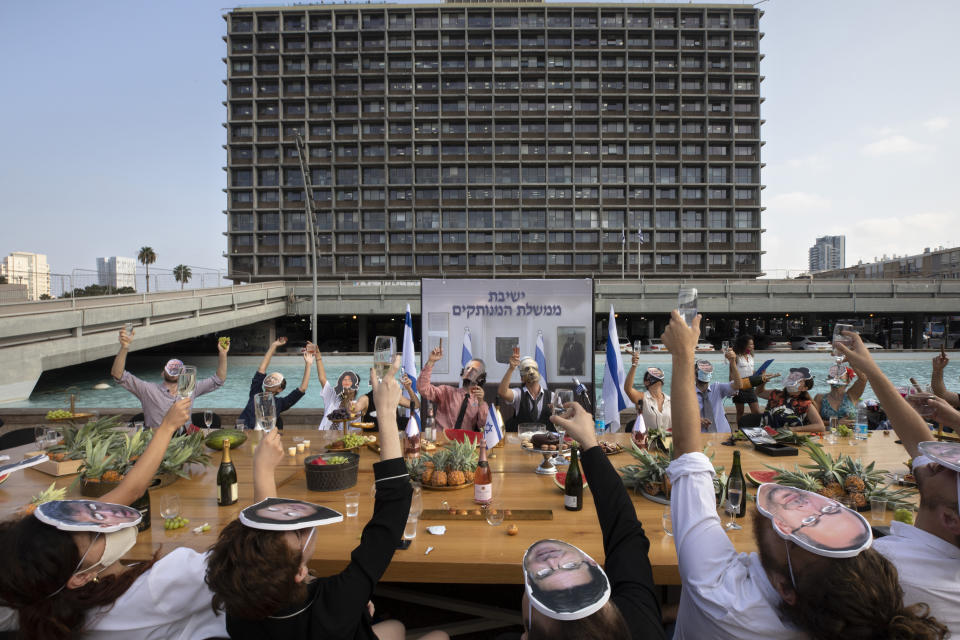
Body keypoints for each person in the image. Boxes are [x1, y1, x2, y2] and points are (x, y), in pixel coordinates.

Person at [660, 310, 949, 640]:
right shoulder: (872, 597)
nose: (806, 509)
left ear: (785, 589)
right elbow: (924, 447)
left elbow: (688, 452)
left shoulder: (721, 593)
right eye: (830, 518)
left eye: (796, 532)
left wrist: (683, 354)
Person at [205, 356, 449, 640]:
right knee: (439, 636)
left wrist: (263, 469)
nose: (294, 522)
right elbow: (392, 514)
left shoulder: (241, 611)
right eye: (296, 532)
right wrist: (385, 412)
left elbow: (261, 532)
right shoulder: (338, 600)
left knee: (396, 628)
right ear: (299, 573)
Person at [0, 399, 230, 640]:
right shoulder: (160, 584)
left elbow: (132, 490)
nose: (103, 520)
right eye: (92, 532)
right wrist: (263, 471)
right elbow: (253, 560)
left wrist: (167, 427)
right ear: (81, 577)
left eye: (76, 512)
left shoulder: (36, 603)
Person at [836, 332, 960, 635]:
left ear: (950, 518)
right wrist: (873, 369)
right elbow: (921, 443)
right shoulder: (942, 546)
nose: (941, 461)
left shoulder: (889, 567)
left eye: (953, 470)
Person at [511, 402, 666, 640]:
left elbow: (624, 532)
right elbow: (625, 532)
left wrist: (589, 444)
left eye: (541, 577)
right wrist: (590, 445)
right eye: (571, 567)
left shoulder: (639, 618)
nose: (552, 561)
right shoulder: (638, 618)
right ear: (610, 606)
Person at [110, 327, 229, 428]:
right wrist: (124, 347)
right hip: (157, 441)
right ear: (162, 373)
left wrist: (223, 354)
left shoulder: (188, 387)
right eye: (170, 367)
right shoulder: (148, 390)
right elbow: (118, 375)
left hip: (185, 442)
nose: (174, 370)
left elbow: (219, 380)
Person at [237, 337, 314, 431]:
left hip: (263, 438)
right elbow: (262, 369)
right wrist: (274, 346)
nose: (271, 380)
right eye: (271, 377)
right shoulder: (255, 393)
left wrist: (308, 364)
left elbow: (302, 389)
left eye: (275, 380)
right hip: (242, 433)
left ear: (279, 389)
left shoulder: (280, 403)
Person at [417, 343, 489, 431]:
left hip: (464, 442)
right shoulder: (446, 392)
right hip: (442, 440)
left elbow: (484, 426)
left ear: (481, 377)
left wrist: (481, 402)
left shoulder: (479, 402)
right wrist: (431, 362)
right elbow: (423, 388)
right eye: (468, 368)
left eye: (474, 370)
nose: (469, 371)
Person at [499, 347, 552, 432]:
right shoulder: (518, 394)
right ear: (522, 378)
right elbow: (502, 392)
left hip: (544, 441)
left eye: (534, 368)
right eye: (527, 369)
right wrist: (511, 369)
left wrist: (556, 412)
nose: (531, 372)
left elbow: (562, 417)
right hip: (521, 440)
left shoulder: (552, 396)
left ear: (539, 373)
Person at [757, 367, 825, 432]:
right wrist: (763, 381)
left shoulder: (805, 404)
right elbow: (759, 392)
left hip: (788, 440)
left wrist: (793, 429)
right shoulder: (775, 394)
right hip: (765, 437)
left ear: (804, 388)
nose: (792, 377)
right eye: (792, 374)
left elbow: (820, 426)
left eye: (798, 376)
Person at [694, 349, 740, 433]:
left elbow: (738, 385)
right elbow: (681, 416)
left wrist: (732, 362)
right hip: (701, 437)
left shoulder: (717, 388)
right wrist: (697, 420)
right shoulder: (689, 394)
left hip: (724, 434)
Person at [354, 372, 419, 430]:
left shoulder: (394, 396)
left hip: (393, 438)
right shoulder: (366, 399)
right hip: (373, 438)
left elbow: (416, 405)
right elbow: (356, 407)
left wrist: (409, 388)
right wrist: (352, 406)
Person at [623, 354, 671, 433]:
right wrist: (634, 365)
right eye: (652, 374)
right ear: (646, 382)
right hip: (646, 442)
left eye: (658, 374)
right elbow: (628, 389)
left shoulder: (670, 400)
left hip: (668, 442)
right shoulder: (643, 398)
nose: (656, 375)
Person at [315, 348, 361, 429]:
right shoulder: (333, 397)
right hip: (324, 435)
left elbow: (354, 431)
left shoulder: (356, 408)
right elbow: (322, 378)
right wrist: (318, 356)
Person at [731, 335, 760, 424]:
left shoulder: (751, 356)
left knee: (756, 412)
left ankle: (756, 428)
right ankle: (740, 431)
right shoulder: (736, 357)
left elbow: (750, 371)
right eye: (750, 344)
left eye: (753, 344)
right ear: (744, 345)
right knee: (740, 412)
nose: (753, 346)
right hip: (739, 387)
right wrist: (733, 389)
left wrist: (759, 372)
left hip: (750, 386)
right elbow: (731, 374)